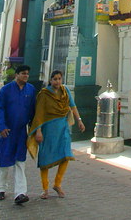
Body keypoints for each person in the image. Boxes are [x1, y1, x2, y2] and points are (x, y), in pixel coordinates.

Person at [27, 70, 85, 199]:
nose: (57, 81)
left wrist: (79, 121)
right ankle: (45, 188)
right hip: (48, 128)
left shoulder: (65, 91)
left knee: (66, 155)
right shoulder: (44, 94)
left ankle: (57, 184)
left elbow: (73, 106)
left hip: (63, 127)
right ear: (50, 80)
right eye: (55, 79)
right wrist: (39, 130)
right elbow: (40, 113)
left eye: (59, 78)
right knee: (45, 157)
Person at [0, 65, 36, 205]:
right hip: (7, 131)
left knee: (20, 161)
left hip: (21, 132)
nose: (26, 76)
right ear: (16, 75)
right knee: (5, 159)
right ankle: (1, 189)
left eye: (27, 74)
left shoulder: (30, 90)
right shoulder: (6, 90)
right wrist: (1, 126)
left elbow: (32, 111)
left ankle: (20, 193)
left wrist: (33, 129)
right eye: (23, 73)